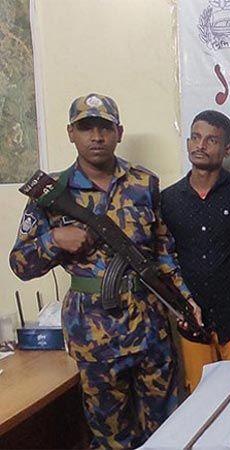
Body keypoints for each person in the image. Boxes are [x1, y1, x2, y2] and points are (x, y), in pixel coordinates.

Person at [9, 93, 202, 449]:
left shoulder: (144, 183)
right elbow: (19, 264)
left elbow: (163, 252)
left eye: (105, 128)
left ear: (119, 132)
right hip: (94, 338)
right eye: (86, 128)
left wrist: (186, 301)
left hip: (151, 329)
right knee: (110, 436)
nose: (96, 137)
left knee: (168, 430)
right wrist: (54, 240)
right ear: (71, 133)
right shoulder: (52, 193)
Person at [161, 110, 230, 393]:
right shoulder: (169, 200)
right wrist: (179, 305)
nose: (201, 145)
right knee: (200, 399)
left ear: (227, 150)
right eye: (195, 137)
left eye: (211, 140)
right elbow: (165, 259)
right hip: (193, 322)